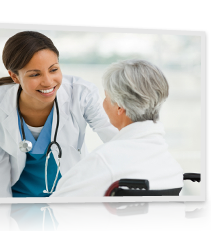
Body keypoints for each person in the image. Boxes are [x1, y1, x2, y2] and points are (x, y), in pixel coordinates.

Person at [0, 31, 118, 198]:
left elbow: (115, 137)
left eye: (53, 69)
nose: (48, 81)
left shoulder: (81, 94)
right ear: (14, 76)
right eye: (35, 74)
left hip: (68, 198)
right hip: (14, 200)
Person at [51, 59, 184, 197]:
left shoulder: (103, 160)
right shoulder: (171, 166)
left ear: (119, 107)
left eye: (106, 97)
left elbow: (57, 205)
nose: (103, 103)